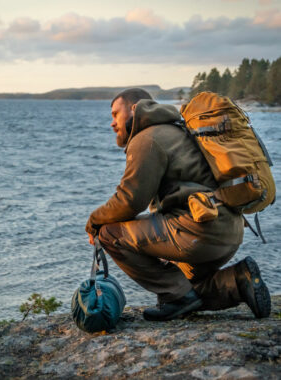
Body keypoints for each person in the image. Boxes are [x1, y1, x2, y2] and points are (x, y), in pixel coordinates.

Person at [85, 88, 271, 321]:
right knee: (190, 288)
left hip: (200, 232)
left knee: (109, 234)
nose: (112, 123)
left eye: (115, 114)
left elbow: (131, 200)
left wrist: (94, 221)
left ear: (134, 109)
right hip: (227, 229)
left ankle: (177, 297)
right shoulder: (178, 131)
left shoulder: (147, 138)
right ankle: (238, 280)